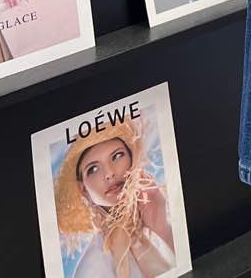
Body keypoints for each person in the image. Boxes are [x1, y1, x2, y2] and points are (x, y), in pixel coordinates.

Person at [53, 116, 177, 277]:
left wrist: (162, 227)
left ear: (132, 159)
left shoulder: (170, 210)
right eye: (93, 169)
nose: (110, 173)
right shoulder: (91, 267)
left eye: (117, 156)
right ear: (83, 189)